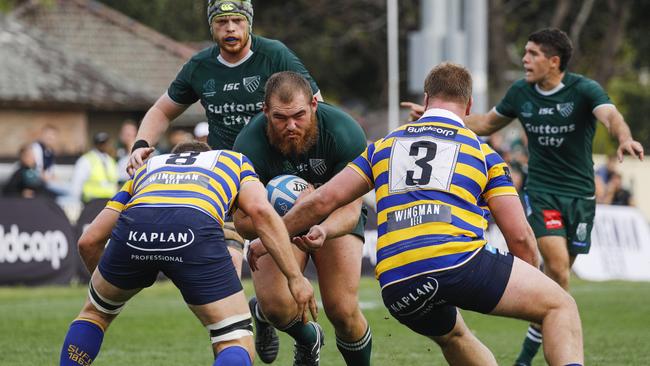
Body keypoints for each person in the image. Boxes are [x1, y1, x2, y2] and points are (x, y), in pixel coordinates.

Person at [249, 62, 583, 365]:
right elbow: (520, 235)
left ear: (426, 99)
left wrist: (268, 239)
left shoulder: (384, 145)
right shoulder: (482, 152)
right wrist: (533, 286)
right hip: (459, 262)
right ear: (468, 107)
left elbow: (322, 200)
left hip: (397, 282)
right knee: (560, 306)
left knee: (455, 336)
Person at [402, 28, 644, 365]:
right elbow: (486, 123)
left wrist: (624, 137)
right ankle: (528, 357)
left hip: (581, 196)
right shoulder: (521, 92)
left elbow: (611, 116)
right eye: (525, 53)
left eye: (532, 54)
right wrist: (439, 116)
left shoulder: (584, 90)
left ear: (554, 61)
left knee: (561, 279)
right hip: (543, 192)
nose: (525, 59)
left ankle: (527, 353)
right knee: (557, 271)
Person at [61, 141, 317, 366]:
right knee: (234, 339)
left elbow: (88, 241)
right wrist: (295, 277)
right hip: (195, 227)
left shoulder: (150, 167)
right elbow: (260, 212)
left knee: (94, 314)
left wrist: (113, 286)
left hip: (136, 228)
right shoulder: (233, 161)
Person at [127, 0, 321, 277]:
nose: (230, 28)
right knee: (226, 273)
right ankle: (236, 316)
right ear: (212, 27)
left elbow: (316, 109)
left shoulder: (275, 55)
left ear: (249, 23)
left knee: (280, 301)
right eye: (221, 22)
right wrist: (141, 144)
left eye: (237, 21)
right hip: (227, 179)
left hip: (278, 178)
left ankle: (265, 312)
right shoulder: (200, 66)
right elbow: (161, 110)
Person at [232, 71, 370, 366]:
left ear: (314, 106)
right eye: (280, 118)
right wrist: (282, 221)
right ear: (265, 111)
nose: (291, 126)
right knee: (277, 307)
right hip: (276, 222)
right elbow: (243, 223)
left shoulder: (345, 132)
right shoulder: (248, 147)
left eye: (299, 115)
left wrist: (322, 228)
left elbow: (351, 210)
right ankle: (308, 338)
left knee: (342, 310)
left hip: (332, 217)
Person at [69, 132, 119, 204]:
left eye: (105, 143)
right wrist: (76, 202)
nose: (104, 146)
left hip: (110, 202)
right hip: (92, 202)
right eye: (101, 143)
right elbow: (77, 182)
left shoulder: (111, 161)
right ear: (95, 144)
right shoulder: (86, 160)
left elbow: (115, 182)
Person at [116, 120, 138, 185]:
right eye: (123, 132)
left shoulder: (140, 154)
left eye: (128, 133)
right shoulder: (120, 154)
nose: (125, 135)